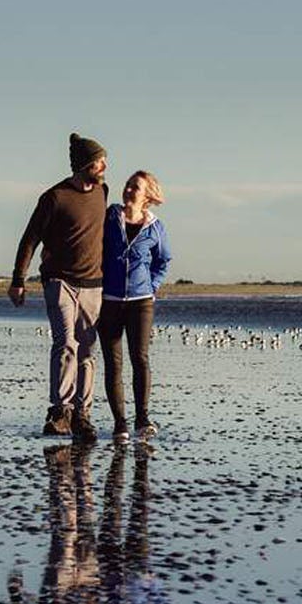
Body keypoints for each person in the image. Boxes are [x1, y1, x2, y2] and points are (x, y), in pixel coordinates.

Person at [11, 133, 108, 441]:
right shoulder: (54, 197)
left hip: (94, 283)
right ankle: (60, 411)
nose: (104, 165)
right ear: (83, 164)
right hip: (59, 281)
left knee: (87, 349)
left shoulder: (103, 192)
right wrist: (18, 280)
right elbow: (30, 239)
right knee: (66, 343)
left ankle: (83, 414)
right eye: (98, 161)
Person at [98, 169, 173, 439]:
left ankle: (142, 419)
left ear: (147, 197)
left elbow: (163, 261)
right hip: (108, 300)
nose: (129, 190)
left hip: (141, 302)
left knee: (139, 359)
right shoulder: (109, 217)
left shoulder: (155, 227)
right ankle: (120, 423)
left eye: (135, 187)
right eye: (128, 185)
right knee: (113, 363)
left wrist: (151, 288)